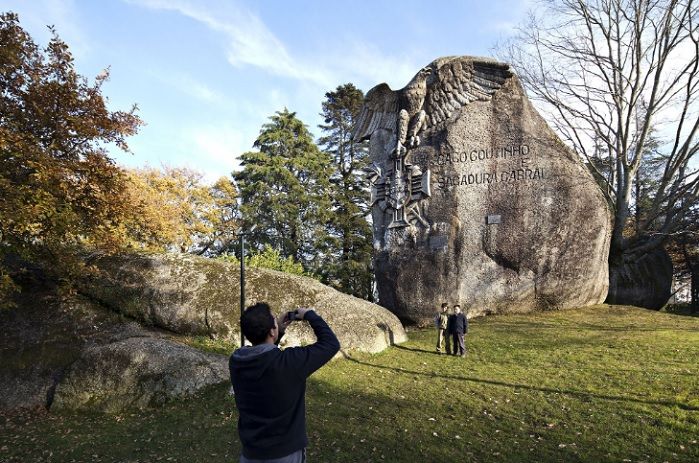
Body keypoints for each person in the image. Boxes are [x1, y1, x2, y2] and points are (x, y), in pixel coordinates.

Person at [229, 303, 340, 463]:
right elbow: (331, 344)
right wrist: (309, 314)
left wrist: (277, 331)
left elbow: (264, 355)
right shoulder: (289, 363)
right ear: (271, 331)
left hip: (251, 454)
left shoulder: (237, 362)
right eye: (274, 320)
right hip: (285, 454)